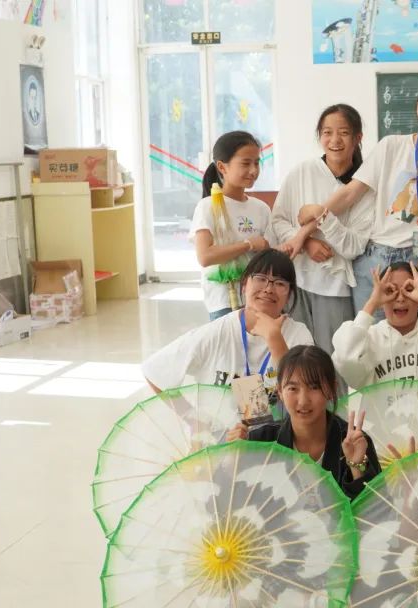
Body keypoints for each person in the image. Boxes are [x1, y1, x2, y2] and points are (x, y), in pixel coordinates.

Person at [283, 75, 418, 315]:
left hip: (417, 260)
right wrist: (302, 235)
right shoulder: (391, 146)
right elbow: (348, 194)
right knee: (368, 333)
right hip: (375, 258)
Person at [272, 104, 373, 353]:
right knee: (295, 357)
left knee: (334, 358)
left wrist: (321, 215)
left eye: (344, 133)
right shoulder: (302, 172)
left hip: (334, 287)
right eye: (327, 132)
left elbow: (353, 247)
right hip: (296, 281)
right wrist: (306, 243)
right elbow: (278, 220)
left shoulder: (364, 185)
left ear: (358, 138)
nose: (335, 140)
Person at [142, 250, 314, 392]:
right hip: (222, 425)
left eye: (280, 283)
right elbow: (154, 370)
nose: (269, 289)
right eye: (261, 278)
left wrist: (274, 338)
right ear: (244, 285)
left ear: (289, 294)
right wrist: (192, 419)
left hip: (280, 425)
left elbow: (305, 395)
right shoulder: (218, 331)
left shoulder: (298, 335)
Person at [225, 345, 381, 500]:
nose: (303, 401)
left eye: (314, 387)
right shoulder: (261, 442)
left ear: (331, 389)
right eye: (293, 388)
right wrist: (234, 460)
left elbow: (376, 508)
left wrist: (357, 467)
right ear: (280, 391)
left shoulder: (355, 442)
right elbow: (237, 501)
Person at [331, 262, 418, 390]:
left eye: (409, 290)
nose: (400, 298)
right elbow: (345, 358)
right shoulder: (369, 338)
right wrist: (372, 303)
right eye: (390, 291)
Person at [192, 130, 275, 320]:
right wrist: (248, 245)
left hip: (257, 298)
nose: (253, 170)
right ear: (222, 167)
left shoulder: (261, 208)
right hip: (223, 302)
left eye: (257, 163)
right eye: (245, 163)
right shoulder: (207, 206)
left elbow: (269, 251)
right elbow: (205, 257)